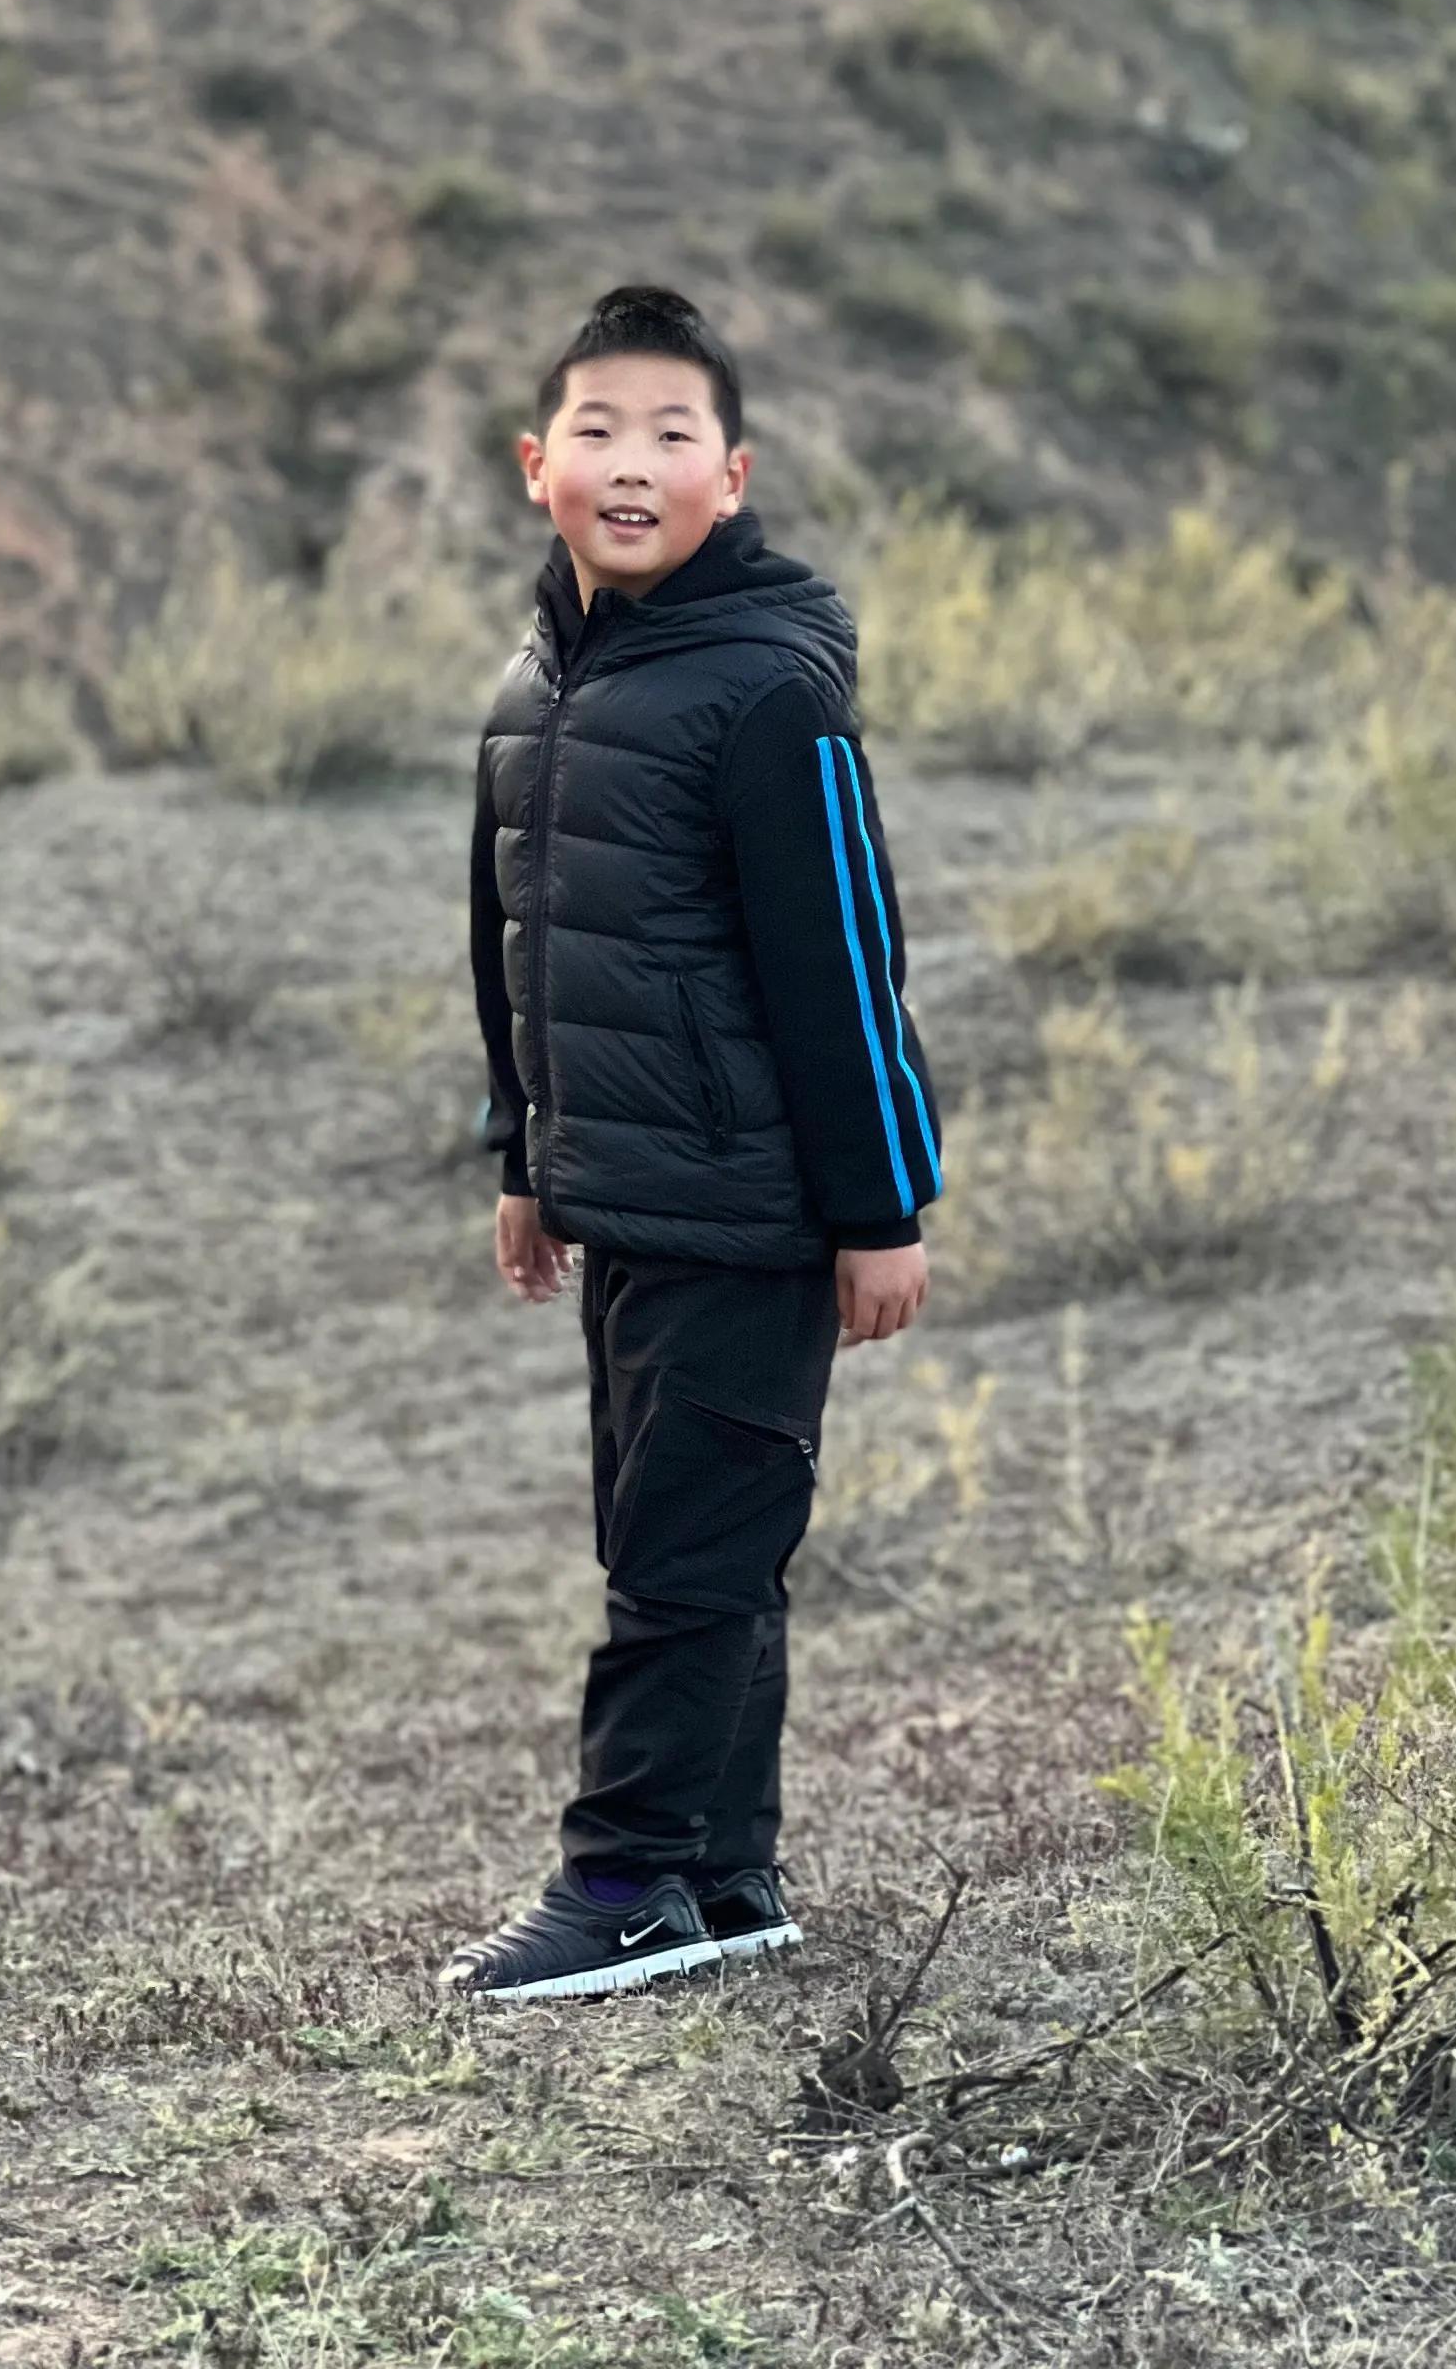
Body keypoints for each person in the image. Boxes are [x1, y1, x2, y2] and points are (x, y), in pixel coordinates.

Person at [443, 284, 945, 2003]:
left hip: (752, 1207)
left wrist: (884, 1209)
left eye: (672, 437)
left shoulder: (769, 696)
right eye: (598, 432)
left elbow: (847, 968)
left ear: (731, 476)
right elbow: (514, 943)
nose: (632, 465)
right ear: (538, 466)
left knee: (681, 1553)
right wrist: (526, 1156)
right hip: (624, 1192)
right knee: (688, 1537)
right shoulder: (536, 692)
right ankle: (728, 1876)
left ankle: (624, 1883)